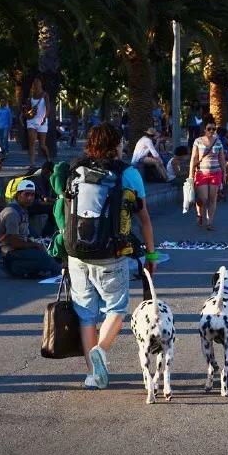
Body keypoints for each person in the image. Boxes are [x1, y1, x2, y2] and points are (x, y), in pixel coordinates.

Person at [67, 122, 156, 389]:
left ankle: (93, 375)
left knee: (86, 315)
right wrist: (150, 256)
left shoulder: (75, 170)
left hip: (77, 254)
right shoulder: (127, 174)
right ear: (115, 145)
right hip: (111, 254)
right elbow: (144, 219)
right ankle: (101, 350)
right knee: (116, 308)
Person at [0, 179, 61, 278]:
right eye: (26, 194)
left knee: (52, 252)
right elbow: (14, 242)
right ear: (18, 195)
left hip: (21, 249)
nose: (30, 198)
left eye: (32, 195)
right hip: (11, 252)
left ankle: (52, 268)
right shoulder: (12, 213)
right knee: (45, 259)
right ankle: (16, 268)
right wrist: (34, 245)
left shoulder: (22, 209)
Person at [189, 115, 226, 230]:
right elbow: (194, 158)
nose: (211, 131)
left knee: (212, 198)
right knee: (203, 198)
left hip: (216, 172)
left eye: (213, 129)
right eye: (209, 129)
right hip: (201, 173)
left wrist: (224, 173)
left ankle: (209, 222)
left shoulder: (218, 142)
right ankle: (199, 213)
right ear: (204, 129)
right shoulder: (198, 141)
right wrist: (190, 174)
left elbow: (222, 159)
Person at [24, 77, 50, 168]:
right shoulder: (31, 96)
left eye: (38, 83)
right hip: (31, 121)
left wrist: (44, 118)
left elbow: (48, 108)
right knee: (32, 142)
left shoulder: (45, 95)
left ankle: (48, 160)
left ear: (41, 84)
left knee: (42, 145)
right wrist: (28, 111)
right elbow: (27, 109)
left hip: (42, 121)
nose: (36, 85)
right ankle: (32, 163)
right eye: (34, 84)